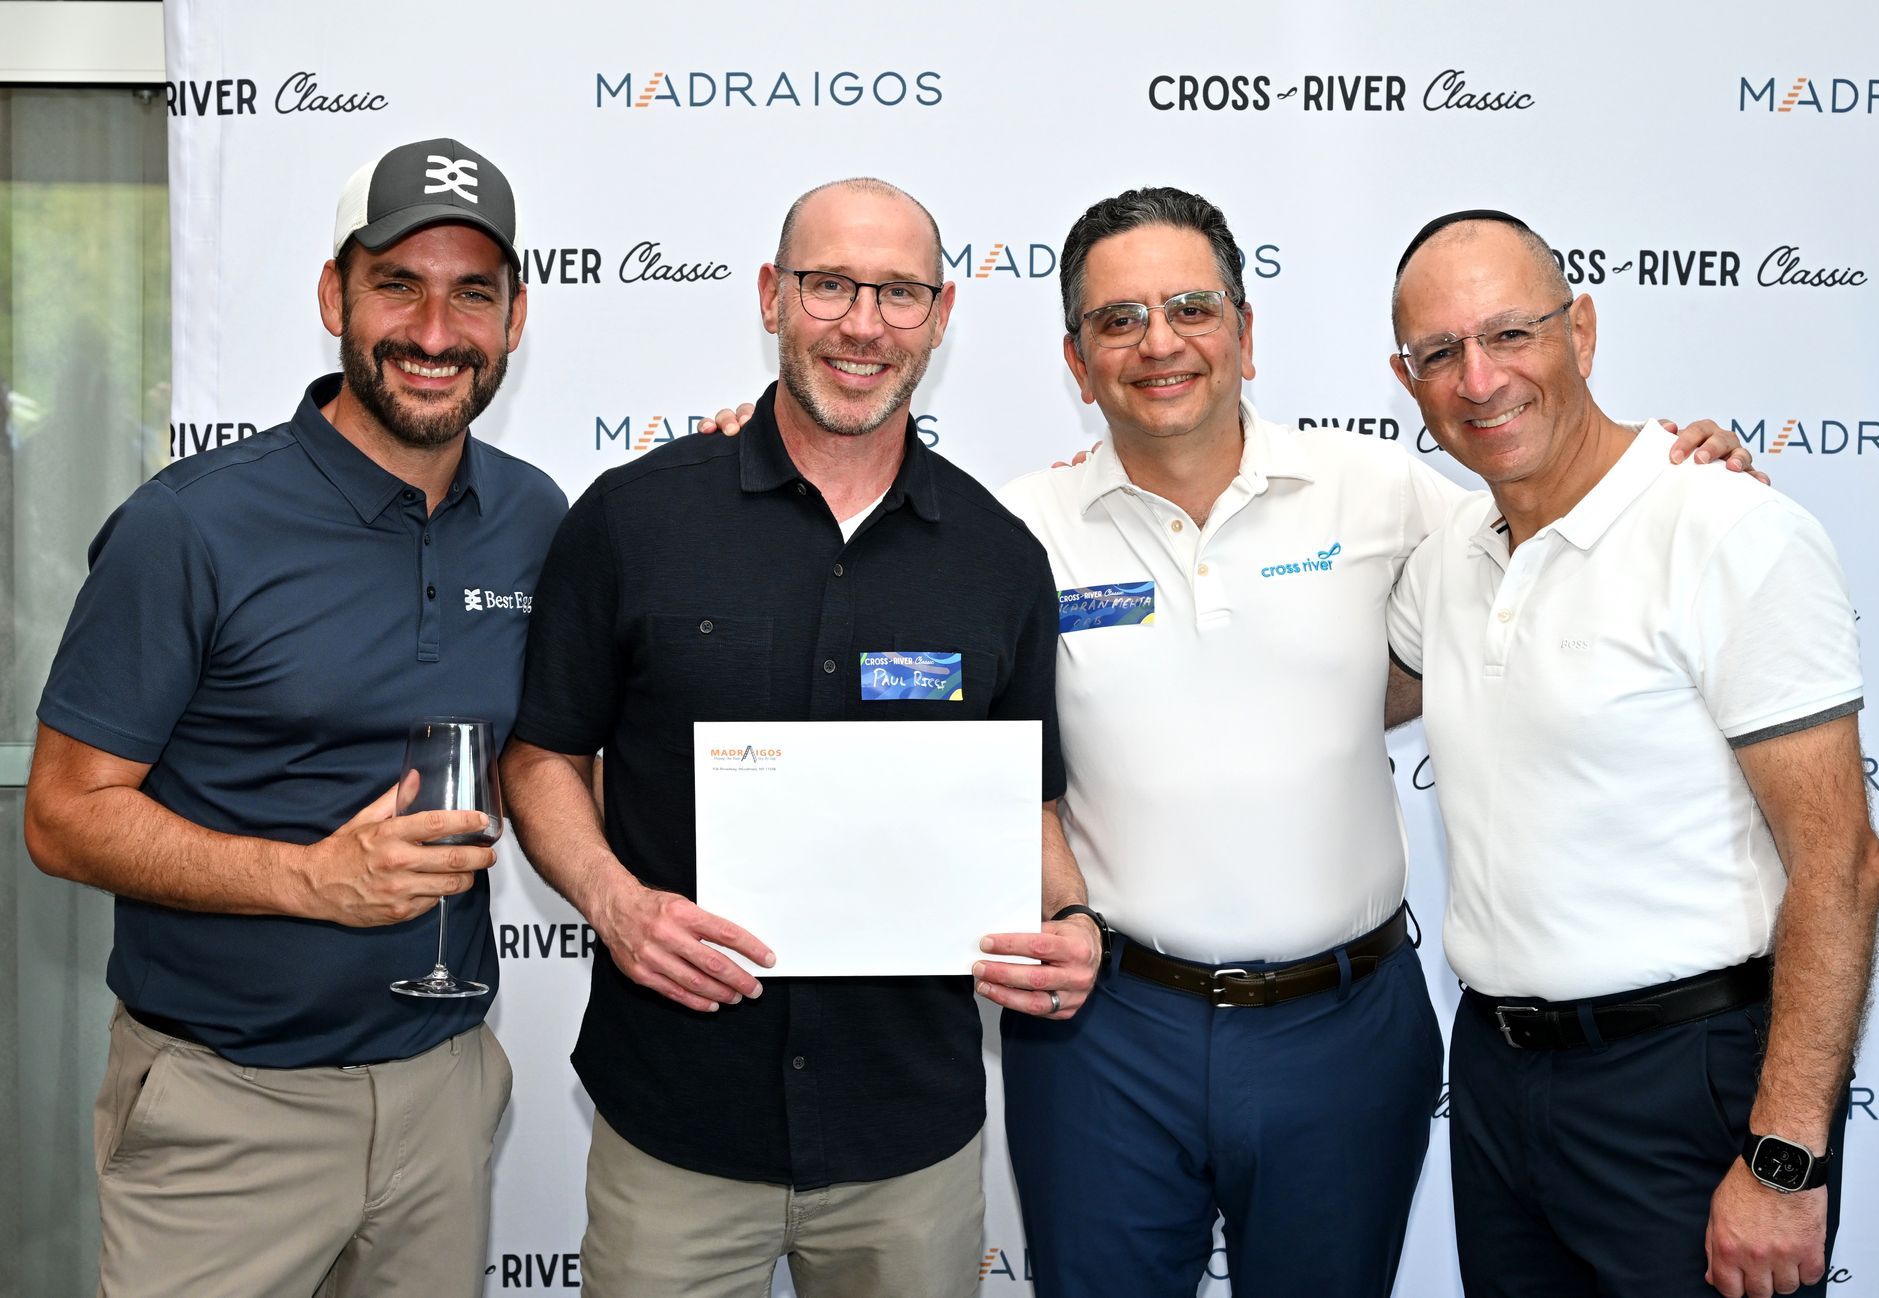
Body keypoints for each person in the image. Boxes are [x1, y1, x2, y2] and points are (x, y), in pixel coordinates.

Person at [701, 186, 1758, 1298]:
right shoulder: (1009, 532)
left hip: (1346, 1028)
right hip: (1104, 1036)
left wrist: (1670, 474)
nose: (1159, 343)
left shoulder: (1384, 491)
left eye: (1192, 309)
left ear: (1246, 336)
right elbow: (919, 676)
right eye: (1118, 320)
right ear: (1076, 361)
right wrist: (760, 445)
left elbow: (1547, 535)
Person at [498, 177, 1093, 1298]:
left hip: (907, 1141)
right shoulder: (633, 518)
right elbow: (541, 756)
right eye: (829, 285)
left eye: (899, 293)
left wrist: (1069, 920)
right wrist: (615, 903)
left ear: (942, 314)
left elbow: (1029, 802)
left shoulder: (999, 557)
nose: (863, 324)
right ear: (772, 295)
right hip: (676, 1120)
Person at [24, 137, 564, 1296]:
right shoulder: (190, 526)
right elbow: (63, 814)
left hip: (441, 1090)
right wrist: (308, 877)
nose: (435, 330)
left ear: (516, 317)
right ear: (334, 296)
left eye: (473, 293)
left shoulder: (533, 517)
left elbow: (549, 756)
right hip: (227, 1107)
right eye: (397, 285)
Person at [1384, 210, 1879, 1298]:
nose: (1480, 377)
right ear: (1406, 380)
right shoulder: (1448, 558)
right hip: (1497, 1082)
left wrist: (1786, 1159)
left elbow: (1842, 864)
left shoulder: (1726, 528)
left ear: (1582, 330)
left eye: (1511, 333)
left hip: (1688, 1086)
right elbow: (1322, 701)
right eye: (1440, 352)